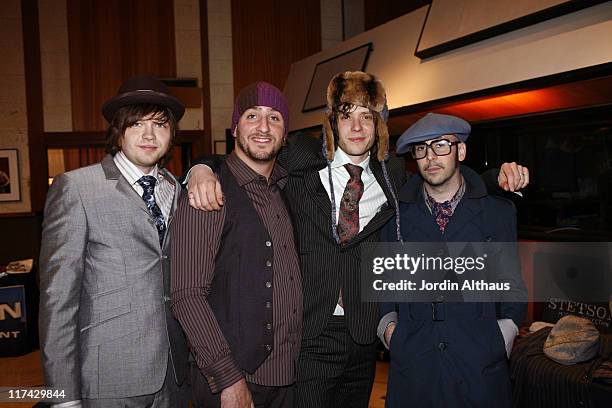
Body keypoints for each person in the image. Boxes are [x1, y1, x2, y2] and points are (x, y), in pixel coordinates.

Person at [186, 71, 529, 408]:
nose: (357, 127)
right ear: (333, 121)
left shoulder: (392, 174)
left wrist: (495, 178)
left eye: (368, 116)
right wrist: (201, 168)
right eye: (347, 115)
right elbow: (250, 154)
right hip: (310, 334)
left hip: (363, 337)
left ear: (379, 124)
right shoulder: (301, 159)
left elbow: (441, 178)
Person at [39, 76, 190, 407]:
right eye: (137, 123)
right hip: (107, 378)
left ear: (172, 135)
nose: (149, 135)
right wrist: (62, 397)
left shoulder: (176, 189)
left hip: (175, 376)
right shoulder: (77, 188)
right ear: (118, 131)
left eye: (160, 125)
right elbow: (58, 300)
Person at [378, 113, 528, 408]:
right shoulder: (394, 216)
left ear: (460, 151)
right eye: (421, 148)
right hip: (415, 366)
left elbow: (512, 284)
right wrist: (390, 332)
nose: (430, 156)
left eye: (441, 145)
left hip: (480, 365)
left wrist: (502, 337)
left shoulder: (498, 212)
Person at [170, 82, 302, 408]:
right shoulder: (208, 192)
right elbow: (187, 295)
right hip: (235, 382)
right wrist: (228, 377)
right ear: (234, 128)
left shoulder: (284, 189)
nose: (263, 127)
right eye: (252, 116)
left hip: (286, 378)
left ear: (285, 133)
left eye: (274, 118)